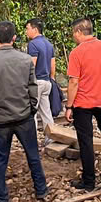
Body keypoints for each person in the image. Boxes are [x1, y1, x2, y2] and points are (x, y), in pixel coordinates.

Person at [0, 21, 49, 202]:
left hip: (0, 120)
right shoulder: (26, 59)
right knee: (33, 155)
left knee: (0, 160)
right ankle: (41, 190)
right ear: (14, 38)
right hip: (24, 117)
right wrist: (31, 108)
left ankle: (1, 199)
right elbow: (32, 88)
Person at [64, 17, 101, 191]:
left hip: (83, 104)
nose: (73, 37)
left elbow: (73, 82)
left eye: (73, 33)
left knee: (86, 141)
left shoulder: (77, 52)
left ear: (78, 32)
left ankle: (89, 181)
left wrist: (69, 106)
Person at [25, 18, 61, 146]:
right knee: (46, 111)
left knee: (32, 113)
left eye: (27, 28)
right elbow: (53, 64)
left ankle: (32, 141)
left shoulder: (33, 44)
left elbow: (32, 65)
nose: (26, 32)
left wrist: (27, 82)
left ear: (34, 29)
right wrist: (52, 79)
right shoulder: (48, 44)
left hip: (36, 83)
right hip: (47, 82)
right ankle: (50, 137)